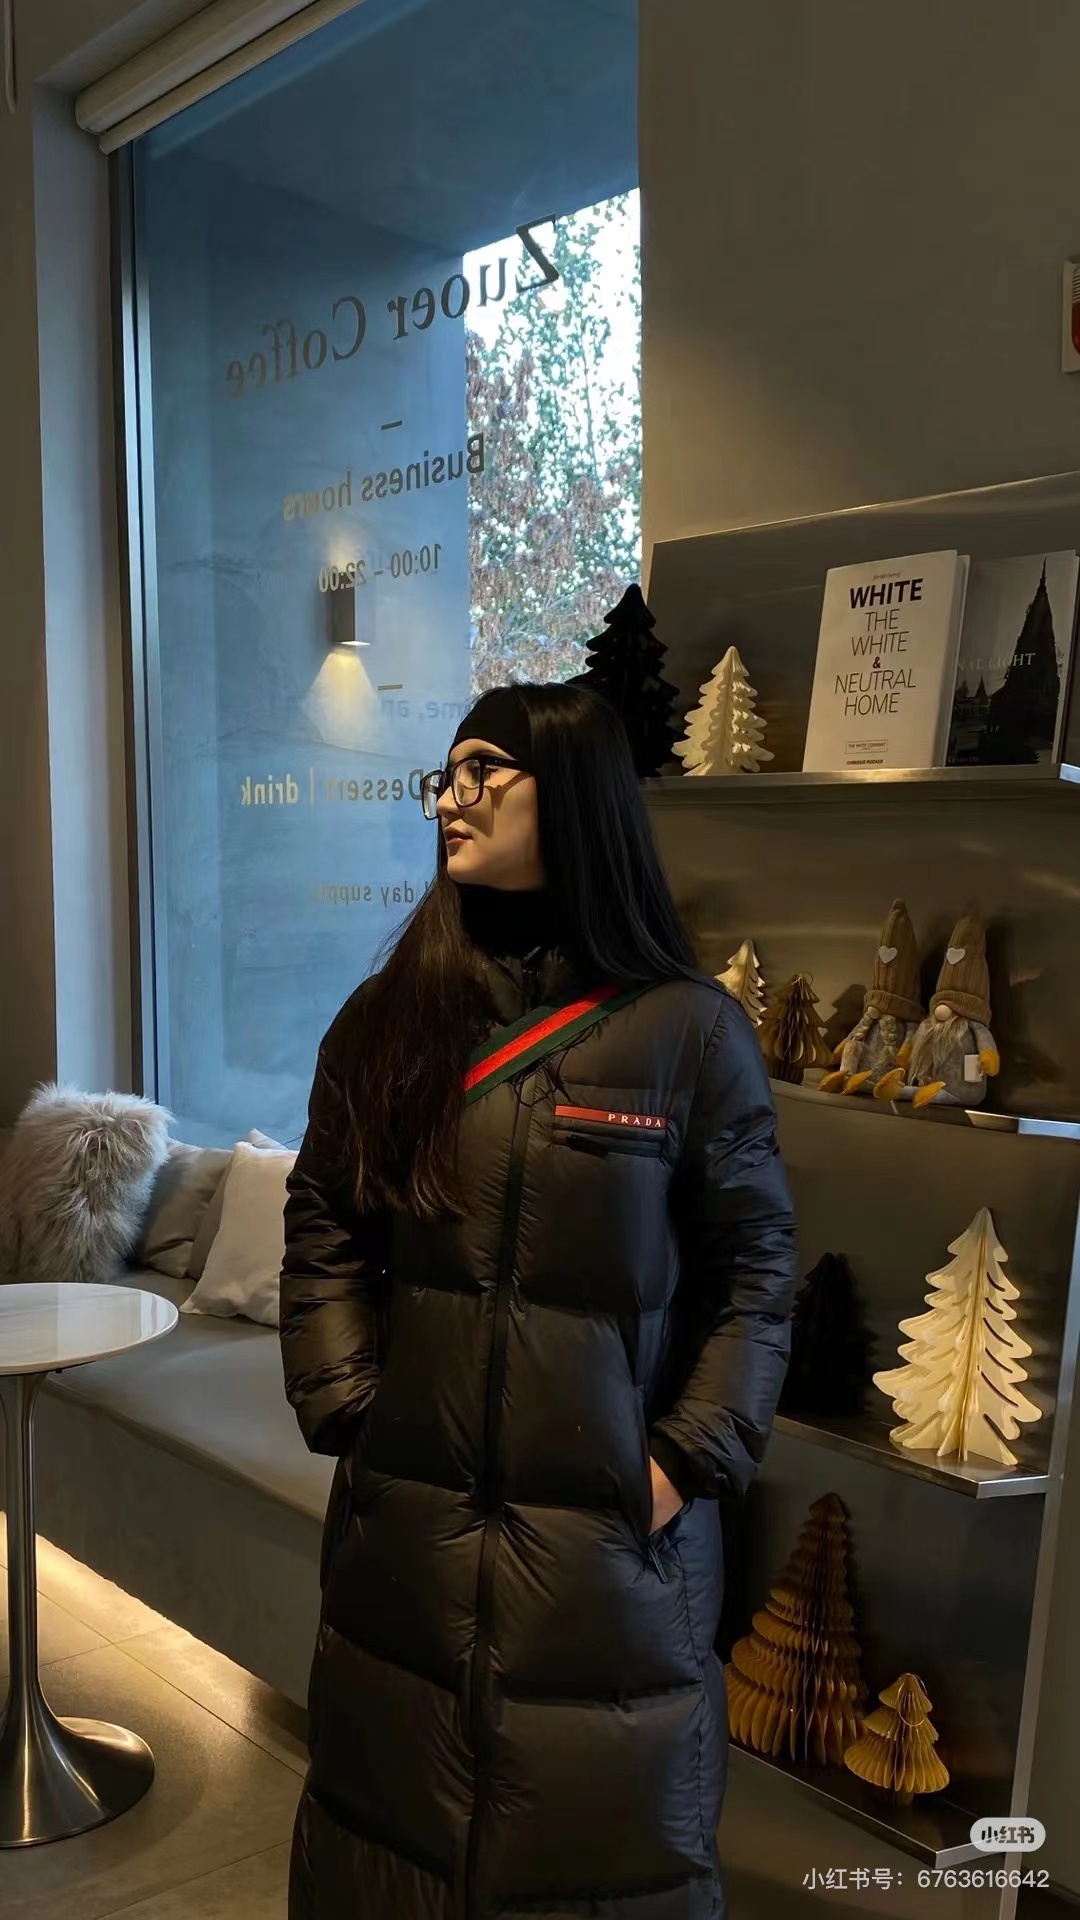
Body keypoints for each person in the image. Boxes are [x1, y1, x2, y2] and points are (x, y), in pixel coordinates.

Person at [280, 679, 797, 1920]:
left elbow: (756, 1269)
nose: (447, 800)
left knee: (597, 1866)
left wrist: (682, 1461)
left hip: (612, 1565)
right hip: (409, 1544)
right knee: (387, 1851)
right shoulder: (393, 1014)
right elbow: (326, 1217)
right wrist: (352, 1406)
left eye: (482, 772)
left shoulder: (687, 1034)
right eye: (444, 775)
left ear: (569, 792)